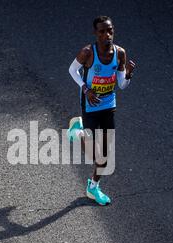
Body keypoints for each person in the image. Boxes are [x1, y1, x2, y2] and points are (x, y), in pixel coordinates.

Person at [67, 15, 135, 205]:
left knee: (104, 156)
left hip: (108, 105)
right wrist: (85, 88)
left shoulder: (120, 53)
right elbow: (72, 71)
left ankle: (93, 187)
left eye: (110, 30)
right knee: (91, 154)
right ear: (96, 33)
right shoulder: (88, 53)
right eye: (102, 31)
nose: (107, 35)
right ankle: (77, 131)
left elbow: (121, 85)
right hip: (90, 105)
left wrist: (128, 74)